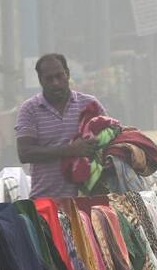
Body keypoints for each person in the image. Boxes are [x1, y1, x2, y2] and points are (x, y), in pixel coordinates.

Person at [15, 53, 103, 199]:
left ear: (67, 74)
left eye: (59, 76)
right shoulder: (30, 109)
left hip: (87, 203)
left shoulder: (90, 104)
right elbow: (25, 153)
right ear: (40, 80)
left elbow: (109, 139)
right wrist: (70, 150)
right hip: (46, 203)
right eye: (49, 78)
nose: (55, 83)